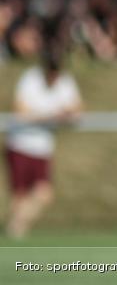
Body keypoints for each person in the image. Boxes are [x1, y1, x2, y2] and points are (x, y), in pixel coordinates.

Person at [5, 48, 82, 238]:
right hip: (20, 144)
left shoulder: (65, 81)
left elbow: (77, 108)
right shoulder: (30, 79)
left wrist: (65, 114)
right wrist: (51, 116)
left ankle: (13, 228)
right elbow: (21, 112)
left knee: (44, 194)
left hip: (42, 147)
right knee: (19, 196)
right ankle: (15, 236)